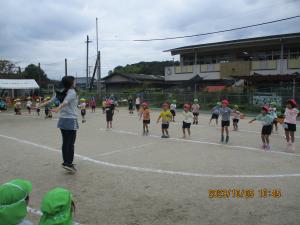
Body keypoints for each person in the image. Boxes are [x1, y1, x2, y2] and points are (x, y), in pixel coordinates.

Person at [40, 76, 79, 172]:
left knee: (65, 142)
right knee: (70, 143)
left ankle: (66, 162)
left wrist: (39, 105)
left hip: (62, 120)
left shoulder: (61, 91)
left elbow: (50, 101)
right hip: (70, 120)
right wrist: (58, 108)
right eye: (74, 81)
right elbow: (65, 102)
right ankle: (68, 163)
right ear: (71, 83)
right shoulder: (72, 92)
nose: (75, 82)